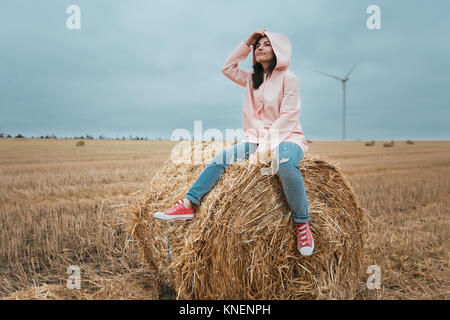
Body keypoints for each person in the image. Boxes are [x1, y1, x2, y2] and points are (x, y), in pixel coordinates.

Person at [154, 29, 314, 256]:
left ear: (278, 50)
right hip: (256, 140)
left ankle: (301, 223)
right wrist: (247, 42)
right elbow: (227, 68)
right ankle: (188, 205)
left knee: (285, 164)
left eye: (266, 44)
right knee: (220, 159)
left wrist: (267, 149)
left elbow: (288, 116)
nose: (260, 47)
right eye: (257, 45)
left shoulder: (289, 78)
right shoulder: (251, 79)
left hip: (287, 137)